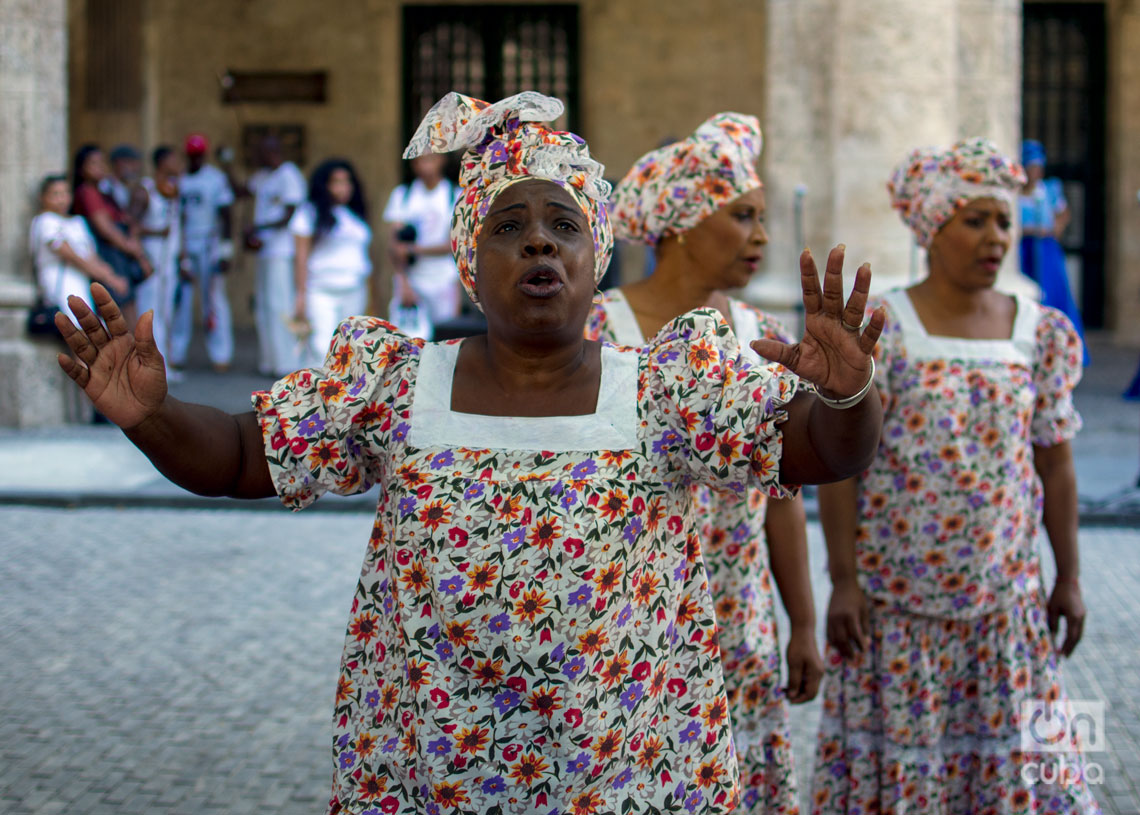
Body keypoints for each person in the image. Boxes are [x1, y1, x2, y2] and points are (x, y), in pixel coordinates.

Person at [55, 91, 885, 814]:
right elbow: (242, 454)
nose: (538, 244)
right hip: (434, 774)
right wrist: (151, 418)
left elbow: (812, 449)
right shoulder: (397, 387)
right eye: (508, 226)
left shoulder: (665, 390)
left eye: (564, 225)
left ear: (595, 257)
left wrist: (848, 394)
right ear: (467, 260)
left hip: (625, 774)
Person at [810, 139, 1100, 815]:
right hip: (896, 614)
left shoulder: (1041, 331)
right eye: (975, 220)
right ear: (930, 228)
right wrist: (845, 579)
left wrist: (1070, 575)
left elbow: (1055, 462)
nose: (996, 237)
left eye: (1003, 220)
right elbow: (841, 465)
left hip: (1006, 613)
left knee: (1024, 775)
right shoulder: (886, 327)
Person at [589, 113, 821, 815]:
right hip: (621, 635)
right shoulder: (597, 333)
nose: (763, 235)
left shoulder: (765, 341)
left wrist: (801, 623)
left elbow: (782, 497)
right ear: (683, 221)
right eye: (743, 215)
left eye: (762, 216)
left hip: (737, 634)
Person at [290, 158, 373, 368]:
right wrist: (300, 295)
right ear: (324, 185)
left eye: (347, 182)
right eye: (336, 182)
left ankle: (344, 398)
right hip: (320, 290)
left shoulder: (355, 215)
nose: (342, 188)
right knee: (322, 347)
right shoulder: (309, 213)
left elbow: (366, 259)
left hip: (354, 288)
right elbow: (301, 257)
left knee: (350, 348)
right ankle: (320, 397)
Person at [1019, 139, 1088, 365]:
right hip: (1024, 250)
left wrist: (1055, 229)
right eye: (1031, 168)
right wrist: (1032, 230)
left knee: (1054, 296)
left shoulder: (1048, 190)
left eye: (1038, 168)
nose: (1035, 172)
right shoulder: (1017, 194)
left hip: (1046, 250)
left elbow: (1063, 212)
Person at [175, 132, 236, 373]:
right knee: (183, 301)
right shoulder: (179, 179)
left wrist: (226, 250)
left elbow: (227, 214)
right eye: (192, 155)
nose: (196, 159)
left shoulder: (215, 178)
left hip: (210, 242)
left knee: (214, 300)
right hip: (186, 244)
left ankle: (221, 354)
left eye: (199, 155)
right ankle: (177, 352)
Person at [246, 136, 307, 377]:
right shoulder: (262, 176)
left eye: (261, 152)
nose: (257, 157)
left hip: (282, 251)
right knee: (264, 306)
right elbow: (242, 190)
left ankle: (287, 363)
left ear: (273, 151)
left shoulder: (288, 174)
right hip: (265, 251)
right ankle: (269, 361)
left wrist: (259, 228)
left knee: (280, 304)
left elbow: (290, 214)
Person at [383, 151, 462, 336]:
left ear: (442, 160)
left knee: (446, 338)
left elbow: (455, 243)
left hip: (444, 279)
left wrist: (414, 249)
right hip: (412, 279)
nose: (426, 166)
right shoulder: (403, 195)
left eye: (431, 160)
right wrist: (403, 281)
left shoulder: (455, 195)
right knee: (409, 340)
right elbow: (394, 244)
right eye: (421, 161)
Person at [29, 174, 128, 322]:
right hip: (58, 280)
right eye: (55, 194)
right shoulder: (45, 221)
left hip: (80, 280)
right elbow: (70, 255)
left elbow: (91, 254)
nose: (61, 199)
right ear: (43, 197)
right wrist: (107, 278)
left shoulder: (77, 222)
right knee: (75, 325)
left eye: (65, 193)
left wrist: (109, 275)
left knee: (86, 324)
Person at [70, 143, 152, 319]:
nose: (100, 167)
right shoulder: (87, 192)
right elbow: (106, 229)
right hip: (109, 257)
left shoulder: (104, 191)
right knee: (122, 317)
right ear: (82, 168)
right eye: (93, 163)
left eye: (101, 162)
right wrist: (136, 253)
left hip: (117, 256)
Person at [136, 145, 183, 370]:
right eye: (174, 159)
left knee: (166, 312)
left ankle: (165, 362)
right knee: (150, 311)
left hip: (168, 261)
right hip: (151, 260)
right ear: (163, 162)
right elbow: (132, 226)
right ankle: (149, 365)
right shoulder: (145, 190)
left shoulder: (174, 189)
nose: (179, 164)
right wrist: (155, 233)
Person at [101, 143, 145, 217]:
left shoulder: (140, 184)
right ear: (118, 163)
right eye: (131, 162)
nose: (135, 167)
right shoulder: (106, 186)